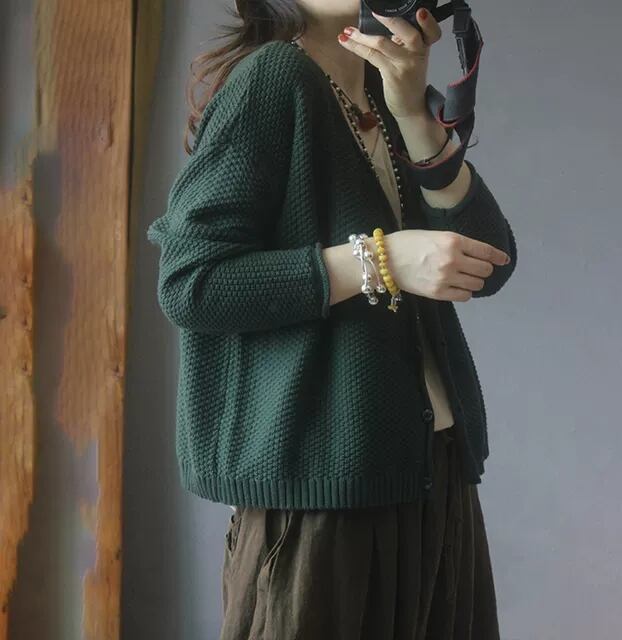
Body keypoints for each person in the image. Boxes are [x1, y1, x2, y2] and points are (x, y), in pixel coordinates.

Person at [147, 0, 517, 637]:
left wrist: (413, 114)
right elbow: (192, 282)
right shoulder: (273, 79)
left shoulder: (381, 91)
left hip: (435, 475)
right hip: (327, 497)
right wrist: (380, 260)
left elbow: (489, 262)